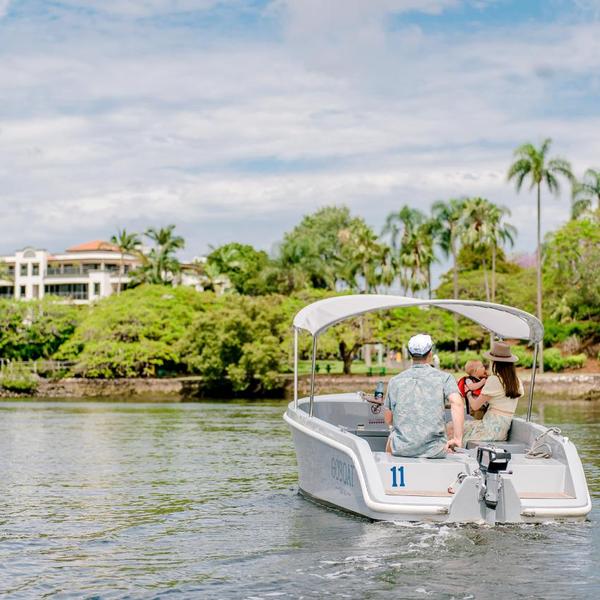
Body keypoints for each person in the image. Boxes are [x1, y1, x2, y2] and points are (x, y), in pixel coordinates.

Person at [384, 333, 464, 458]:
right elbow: (457, 403)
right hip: (435, 450)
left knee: (391, 439)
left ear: (410, 354)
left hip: (401, 449)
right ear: (430, 353)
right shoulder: (445, 378)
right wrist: (457, 438)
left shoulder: (395, 381)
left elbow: (388, 419)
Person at [453, 341, 524, 445]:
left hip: (489, 429)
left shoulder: (494, 380)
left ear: (495, 362)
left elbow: (475, 406)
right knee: (457, 426)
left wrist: (468, 392)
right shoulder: (517, 381)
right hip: (502, 430)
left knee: (452, 426)